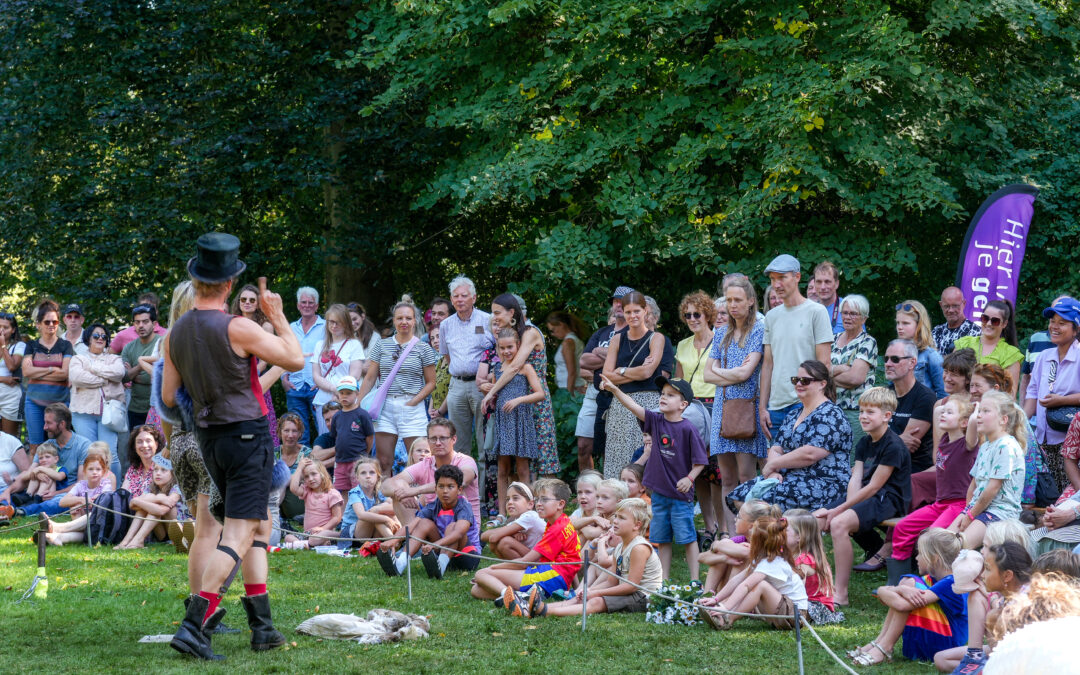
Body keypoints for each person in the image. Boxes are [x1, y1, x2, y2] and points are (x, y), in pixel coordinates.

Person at [163, 233, 304, 660]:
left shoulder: (176, 333)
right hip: (248, 436)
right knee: (239, 533)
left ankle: (263, 628)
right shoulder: (237, 326)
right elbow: (295, 359)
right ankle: (194, 625)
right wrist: (278, 317)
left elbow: (170, 396)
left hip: (210, 438)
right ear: (228, 284)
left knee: (258, 528)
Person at [603, 374, 706, 580]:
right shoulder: (656, 421)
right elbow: (634, 406)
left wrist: (690, 478)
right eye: (663, 394)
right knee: (662, 539)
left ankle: (695, 581)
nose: (663, 397)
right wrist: (615, 390)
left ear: (683, 404)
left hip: (679, 495)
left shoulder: (688, 428)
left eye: (671, 395)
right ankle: (664, 580)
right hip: (658, 494)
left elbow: (701, 461)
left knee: (687, 538)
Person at [815, 387, 911, 605]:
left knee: (838, 524)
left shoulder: (894, 445)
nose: (863, 417)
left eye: (870, 412)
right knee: (816, 520)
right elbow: (856, 479)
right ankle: (817, 584)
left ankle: (841, 593)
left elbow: (875, 487)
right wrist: (845, 507)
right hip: (870, 496)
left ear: (887, 416)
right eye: (861, 411)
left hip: (889, 499)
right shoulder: (864, 442)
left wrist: (840, 510)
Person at [727, 360, 852, 513]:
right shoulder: (794, 414)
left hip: (823, 483)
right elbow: (776, 447)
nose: (799, 384)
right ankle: (773, 535)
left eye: (805, 380)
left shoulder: (831, 414)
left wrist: (773, 465)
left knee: (760, 504)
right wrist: (773, 473)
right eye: (796, 380)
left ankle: (778, 535)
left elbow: (810, 454)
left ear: (822, 384)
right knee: (739, 496)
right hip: (791, 478)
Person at [522, 497, 662, 619]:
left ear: (637, 525)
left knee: (596, 601)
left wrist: (596, 592)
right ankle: (539, 607)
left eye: (622, 518)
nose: (615, 522)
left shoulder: (639, 548)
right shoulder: (621, 547)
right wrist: (589, 591)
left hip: (644, 597)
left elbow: (632, 586)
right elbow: (612, 580)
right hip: (630, 592)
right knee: (585, 596)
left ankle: (544, 611)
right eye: (616, 516)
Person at [847, 528, 966, 666]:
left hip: (946, 646)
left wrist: (883, 590)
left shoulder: (951, 581)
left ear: (934, 558)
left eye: (920, 553)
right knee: (908, 583)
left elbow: (901, 605)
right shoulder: (934, 579)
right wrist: (899, 589)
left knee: (910, 585)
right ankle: (879, 643)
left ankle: (885, 647)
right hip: (936, 639)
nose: (916, 557)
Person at [889, 395, 978, 579]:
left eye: (949, 412)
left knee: (932, 538)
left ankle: (933, 583)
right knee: (902, 528)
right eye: (943, 412)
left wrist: (975, 409)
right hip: (940, 504)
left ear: (963, 422)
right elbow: (937, 411)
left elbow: (973, 425)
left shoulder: (967, 444)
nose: (943, 414)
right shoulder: (944, 440)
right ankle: (898, 580)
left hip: (960, 505)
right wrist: (948, 406)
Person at [357, 296, 437, 477]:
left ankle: (419, 502)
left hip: (412, 407)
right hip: (385, 408)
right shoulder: (382, 345)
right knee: (384, 462)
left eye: (408, 318)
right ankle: (386, 503)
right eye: (400, 318)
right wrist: (358, 402)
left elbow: (432, 382)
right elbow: (370, 378)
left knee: (419, 461)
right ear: (393, 320)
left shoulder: (423, 348)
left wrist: (414, 401)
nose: (404, 322)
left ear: (414, 321)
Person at [480, 294, 559, 478]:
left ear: (512, 312)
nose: (495, 317)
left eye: (497, 312)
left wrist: (491, 392)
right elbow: (505, 367)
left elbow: (515, 367)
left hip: (534, 400)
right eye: (493, 313)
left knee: (542, 454)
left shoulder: (530, 332)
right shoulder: (511, 336)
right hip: (514, 403)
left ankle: (550, 500)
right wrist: (491, 383)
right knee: (519, 460)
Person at [469, 478, 582, 604]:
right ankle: (522, 595)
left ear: (560, 504)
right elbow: (573, 561)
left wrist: (493, 567)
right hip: (556, 579)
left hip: (549, 578)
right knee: (476, 590)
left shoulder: (556, 529)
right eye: (538, 499)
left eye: (544, 499)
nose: (538, 503)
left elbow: (524, 562)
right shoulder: (563, 521)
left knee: (481, 574)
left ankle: (511, 597)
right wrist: (576, 590)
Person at [759, 254, 834, 439]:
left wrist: (816, 405)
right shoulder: (771, 317)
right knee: (776, 465)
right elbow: (768, 365)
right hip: (775, 407)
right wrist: (762, 407)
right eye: (773, 279)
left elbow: (824, 363)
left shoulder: (816, 311)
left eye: (782, 278)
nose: (776, 284)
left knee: (804, 465)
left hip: (806, 403)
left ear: (797, 277)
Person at [699, 512, 808, 630]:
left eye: (752, 537)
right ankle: (724, 614)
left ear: (759, 542)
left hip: (795, 615)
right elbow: (737, 580)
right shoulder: (761, 559)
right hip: (781, 609)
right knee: (755, 584)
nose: (749, 539)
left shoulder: (771, 562)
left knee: (760, 585)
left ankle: (727, 618)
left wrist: (726, 607)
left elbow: (746, 585)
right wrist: (716, 599)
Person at [598, 291, 666, 477]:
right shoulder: (617, 339)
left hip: (647, 403)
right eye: (628, 312)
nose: (632, 316)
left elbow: (647, 372)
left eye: (637, 311)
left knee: (644, 456)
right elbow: (606, 375)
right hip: (620, 404)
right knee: (617, 457)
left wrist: (618, 371)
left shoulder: (656, 338)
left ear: (645, 311)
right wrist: (631, 373)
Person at [949, 391, 1027, 549]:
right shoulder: (985, 446)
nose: (978, 415)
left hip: (1000, 513)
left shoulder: (1006, 445)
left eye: (986, 411)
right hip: (979, 510)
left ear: (1003, 420)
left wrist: (970, 516)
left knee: (955, 547)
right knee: (942, 543)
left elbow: (993, 488)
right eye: (979, 411)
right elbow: (974, 485)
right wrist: (967, 511)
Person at [379, 464, 480, 579]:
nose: (445, 491)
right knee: (423, 523)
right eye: (441, 486)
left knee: (452, 527)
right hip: (443, 551)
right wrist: (393, 540)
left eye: (450, 487)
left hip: (466, 556)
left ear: (459, 490)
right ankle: (400, 563)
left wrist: (435, 545)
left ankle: (440, 566)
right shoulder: (433, 506)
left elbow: (458, 533)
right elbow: (411, 526)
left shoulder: (463, 506)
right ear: (435, 489)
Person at [1023, 296, 1080, 492]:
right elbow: (1033, 392)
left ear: (1076, 329)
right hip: (1043, 440)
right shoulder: (1044, 357)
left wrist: (1061, 400)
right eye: (1052, 321)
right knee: (1050, 496)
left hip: (1072, 444)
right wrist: (1021, 421)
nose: (1054, 327)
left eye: (1062, 323)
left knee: (1072, 495)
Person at [485, 327, 543, 518]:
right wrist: (489, 397)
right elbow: (496, 393)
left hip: (520, 421)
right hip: (504, 422)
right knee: (502, 469)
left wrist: (519, 400)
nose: (506, 351)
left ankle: (527, 511)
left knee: (522, 468)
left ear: (518, 345)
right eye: (502, 348)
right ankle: (502, 513)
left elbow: (540, 393)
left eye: (510, 347)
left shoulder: (525, 367)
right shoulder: (497, 369)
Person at [675, 290, 719, 537]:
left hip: (714, 406)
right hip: (690, 409)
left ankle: (724, 527)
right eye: (687, 314)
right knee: (698, 471)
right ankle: (709, 525)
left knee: (715, 470)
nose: (692, 318)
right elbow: (680, 383)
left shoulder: (721, 340)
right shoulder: (682, 345)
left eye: (697, 314)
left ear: (708, 314)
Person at [382, 418, 480, 527]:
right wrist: (403, 492)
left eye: (443, 438)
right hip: (432, 528)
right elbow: (386, 485)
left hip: (464, 528)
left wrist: (412, 491)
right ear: (428, 441)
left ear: (454, 439)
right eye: (433, 439)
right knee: (398, 489)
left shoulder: (465, 461)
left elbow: (460, 481)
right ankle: (411, 539)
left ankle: (415, 539)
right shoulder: (425, 464)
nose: (438, 443)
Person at [576, 287, 633, 471]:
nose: (618, 304)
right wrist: (612, 355)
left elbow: (628, 360)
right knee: (584, 446)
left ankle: (609, 492)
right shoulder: (602, 332)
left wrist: (600, 352)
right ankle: (589, 488)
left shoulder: (634, 333)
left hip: (620, 393)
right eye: (616, 300)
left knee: (610, 447)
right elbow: (584, 361)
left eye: (623, 300)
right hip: (594, 392)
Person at [438, 276, 494, 455]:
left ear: (474, 298)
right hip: (457, 386)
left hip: (482, 386)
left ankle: (485, 483)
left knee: (485, 439)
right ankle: (462, 481)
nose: (460, 299)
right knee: (458, 442)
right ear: (452, 300)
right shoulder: (446, 325)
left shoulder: (488, 320)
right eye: (456, 296)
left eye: (464, 295)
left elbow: (497, 353)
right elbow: (446, 355)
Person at [22, 300, 74, 454]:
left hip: (60, 404)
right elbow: (26, 372)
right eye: (47, 321)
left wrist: (37, 371)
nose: (52, 324)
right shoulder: (32, 345)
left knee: (61, 446)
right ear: (38, 324)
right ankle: (34, 477)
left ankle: (61, 477)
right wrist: (52, 368)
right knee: (35, 447)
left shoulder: (65, 345)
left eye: (55, 321)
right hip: (34, 403)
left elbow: (65, 373)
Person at [231, 284, 280, 444]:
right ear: (238, 302)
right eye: (243, 299)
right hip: (234, 381)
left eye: (252, 300)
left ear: (258, 304)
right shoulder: (231, 323)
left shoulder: (265, 326)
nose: (247, 302)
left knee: (262, 420)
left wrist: (250, 375)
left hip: (256, 379)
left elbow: (265, 360)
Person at [69, 323, 125, 457]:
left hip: (110, 413)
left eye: (104, 336)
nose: (100, 338)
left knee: (110, 454)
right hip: (82, 413)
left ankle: (112, 479)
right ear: (88, 338)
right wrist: (105, 380)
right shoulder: (78, 358)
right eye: (96, 335)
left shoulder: (114, 358)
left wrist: (93, 369)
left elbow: (119, 373)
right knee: (90, 454)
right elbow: (77, 378)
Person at [830, 294, 878, 448]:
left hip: (856, 411)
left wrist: (828, 376)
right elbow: (817, 373)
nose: (848, 317)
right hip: (830, 408)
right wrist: (840, 369)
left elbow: (854, 378)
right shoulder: (832, 339)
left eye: (853, 314)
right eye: (845, 313)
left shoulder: (867, 342)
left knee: (852, 459)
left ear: (863, 318)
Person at [884, 339, 937, 473]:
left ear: (912, 363)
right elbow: (872, 439)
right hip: (884, 464)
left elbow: (904, 448)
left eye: (895, 359)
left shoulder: (925, 398)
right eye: (886, 359)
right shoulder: (884, 393)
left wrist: (879, 442)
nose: (888, 364)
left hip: (911, 471)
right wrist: (897, 440)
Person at [39, 453, 115, 546]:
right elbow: (62, 502)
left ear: (103, 472)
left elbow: (103, 499)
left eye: (98, 469)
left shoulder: (105, 485)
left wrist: (92, 500)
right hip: (84, 529)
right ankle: (57, 538)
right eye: (90, 469)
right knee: (75, 505)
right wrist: (80, 500)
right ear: (84, 471)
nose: (94, 472)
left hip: (99, 526)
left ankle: (57, 528)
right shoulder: (81, 485)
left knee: (92, 514)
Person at [114, 453, 187, 549]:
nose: (158, 473)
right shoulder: (151, 487)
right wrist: (157, 498)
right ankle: (126, 541)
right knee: (144, 507)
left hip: (180, 529)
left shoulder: (177, 488)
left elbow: (162, 510)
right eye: (156, 469)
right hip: (163, 534)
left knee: (153, 506)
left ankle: (138, 540)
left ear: (172, 474)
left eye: (163, 470)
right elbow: (132, 504)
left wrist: (138, 500)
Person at [281, 287, 325, 446]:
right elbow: (284, 352)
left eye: (310, 303)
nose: (307, 305)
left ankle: (322, 468)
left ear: (317, 306)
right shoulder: (291, 328)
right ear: (298, 305)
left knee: (323, 427)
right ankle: (300, 466)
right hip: (295, 384)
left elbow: (330, 354)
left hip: (317, 385)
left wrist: (324, 380)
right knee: (297, 430)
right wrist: (283, 378)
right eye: (303, 302)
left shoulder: (325, 327)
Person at [785, 509, 845, 625]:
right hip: (803, 604)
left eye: (784, 530)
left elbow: (794, 590)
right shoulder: (789, 554)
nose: (777, 533)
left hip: (816, 609)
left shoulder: (805, 560)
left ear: (799, 537)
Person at [953, 300, 1023, 397]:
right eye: (985, 318)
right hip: (960, 403)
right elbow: (951, 376)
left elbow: (1010, 394)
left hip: (991, 407)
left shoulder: (1010, 354)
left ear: (1004, 324)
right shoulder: (964, 343)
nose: (989, 323)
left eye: (995, 321)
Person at [326, 376, 375, 491]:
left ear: (357, 394)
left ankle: (360, 509)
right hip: (340, 461)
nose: (344, 396)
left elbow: (370, 437)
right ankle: (344, 510)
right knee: (340, 490)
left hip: (358, 461)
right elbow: (336, 437)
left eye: (348, 393)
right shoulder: (337, 416)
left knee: (358, 490)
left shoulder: (362, 414)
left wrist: (364, 454)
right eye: (342, 393)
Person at [282, 457, 343, 549]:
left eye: (314, 474)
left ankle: (306, 544)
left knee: (318, 537)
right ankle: (308, 544)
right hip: (308, 534)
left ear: (323, 474)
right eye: (306, 476)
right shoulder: (307, 491)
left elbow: (337, 518)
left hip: (324, 532)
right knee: (288, 537)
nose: (310, 479)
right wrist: (299, 468)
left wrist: (323, 528)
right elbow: (293, 488)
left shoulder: (332, 494)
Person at [339, 457, 399, 549]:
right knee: (375, 513)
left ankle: (396, 540)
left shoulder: (380, 492)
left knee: (382, 508)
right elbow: (361, 515)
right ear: (357, 477)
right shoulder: (355, 493)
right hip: (353, 536)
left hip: (372, 534)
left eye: (372, 472)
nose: (368, 476)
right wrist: (386, 519)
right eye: (363, 473)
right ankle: (394, 541)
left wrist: (379, 509)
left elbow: (395, 508)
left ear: (378, 476)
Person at [120, 303, 163, 429]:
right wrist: (142, 366)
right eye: (137, 322)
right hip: (136, 408)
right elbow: (123, 377)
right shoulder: (129, 347)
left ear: (154, 324)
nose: (141, 326)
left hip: (158, 408)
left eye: (145, 322)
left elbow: (162, 375)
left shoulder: (162, 343)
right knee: (137, 446)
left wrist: (134, 374)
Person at [483, 481, 545, 560]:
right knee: (497, 543)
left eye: (515, 498)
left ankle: (519, 569)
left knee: (505, 542)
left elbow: (493, 538)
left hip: (543, 559)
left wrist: (508, 533)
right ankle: (516, 569)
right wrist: (513, 533)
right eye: (508, 499)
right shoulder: (517, 521)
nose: (510, 502)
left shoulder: (530, 516)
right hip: (532, 557)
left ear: (530, 504)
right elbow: (484, 535)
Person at [544, 311, 588, 393]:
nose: (553, 334)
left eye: (553, 330)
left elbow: (572, 371)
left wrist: (568, 394)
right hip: (575, 386)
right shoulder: (575, 339)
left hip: (571, 388)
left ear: (561, 324)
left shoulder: (568, 342)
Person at [932, 286, 982, 356]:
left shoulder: (975, 332)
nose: (951, 310)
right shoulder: (936, 331)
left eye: (955, 306)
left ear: (964, 304)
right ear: (941, 305)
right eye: (946, 306)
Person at [0, 311, 25, 438]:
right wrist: (3, 379)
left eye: (5, 327)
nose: (1, 330)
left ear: (13, 330)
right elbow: (7, 376)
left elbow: (12, 366)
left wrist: (3, 345)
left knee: (9, 439)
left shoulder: (19, 346)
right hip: (5, 383)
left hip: (10, 396)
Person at [812, 261, 845, 334]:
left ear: (836, 284)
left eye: (827, 282)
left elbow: (861, 341)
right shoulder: (809, 310)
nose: (823, 287)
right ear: (814, 283)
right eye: (819, 282)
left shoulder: (848, 309)